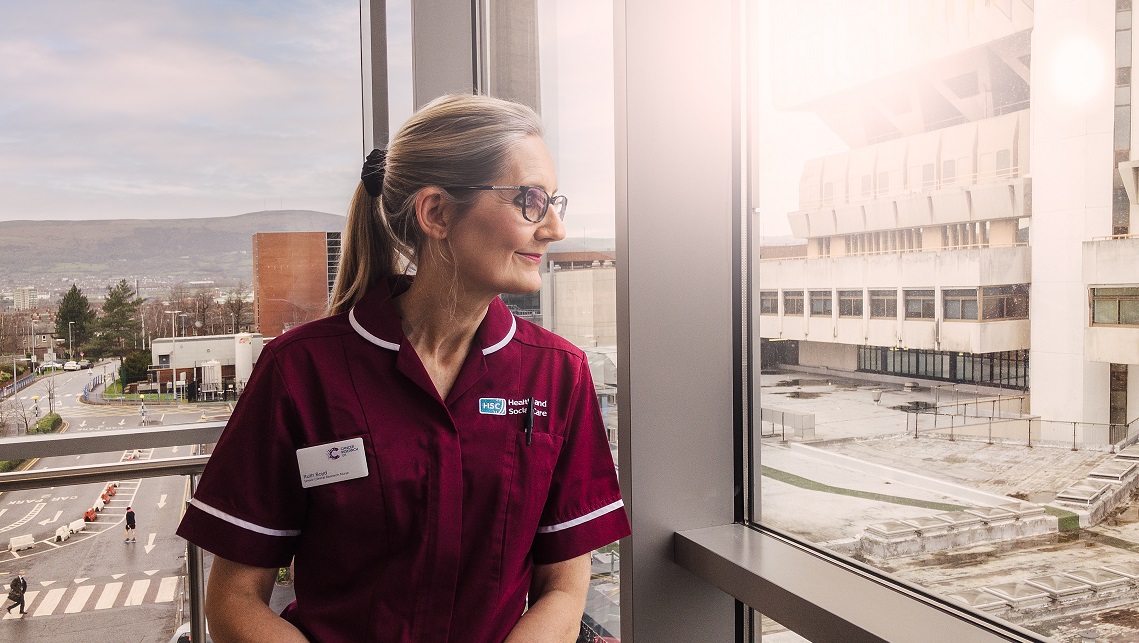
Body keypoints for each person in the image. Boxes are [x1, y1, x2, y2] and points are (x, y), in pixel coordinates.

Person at [176, 94, 630, 642]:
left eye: (554, 200)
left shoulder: (557, 376)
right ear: (436, 212)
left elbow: (563, 588)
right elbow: (231, 601)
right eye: (530, 201)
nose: (554, 228)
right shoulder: (298, 373)